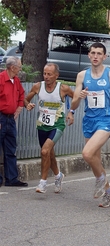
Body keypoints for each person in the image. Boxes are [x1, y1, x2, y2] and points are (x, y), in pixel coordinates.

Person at [70, 42, 110, 208]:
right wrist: (80, 97)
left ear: (104, 56)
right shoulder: (82, 76)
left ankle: (100, 180)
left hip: (106, 120)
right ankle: (108, 192)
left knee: (87, 153)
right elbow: (75, 104)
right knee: (94, 159)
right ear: (89, 55)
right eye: (93, 53)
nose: (96, 56)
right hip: (89, 120)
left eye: (99, 53)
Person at [25, 63, 75, 193]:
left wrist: (71, 112)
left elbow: (75, 99)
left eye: (49, 74)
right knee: (49, 153)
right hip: (42, 125)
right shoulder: (38, 86)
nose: (46, 77)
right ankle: (58, 176)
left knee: (44, 151)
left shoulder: (63, 88)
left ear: (56, 76)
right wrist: (28, 105)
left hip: (57, 125)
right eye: (44, 73)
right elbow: (25, 99)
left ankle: (43, 183)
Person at [0, 56, 28, 187]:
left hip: (10, 119)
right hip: (1, 116)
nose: (20, 69)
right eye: (19, 67)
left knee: (11, 149)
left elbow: (22, 94)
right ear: (12, 67)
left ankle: (11, 178)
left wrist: (19, 107)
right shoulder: (1, 79)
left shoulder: (16, 81)